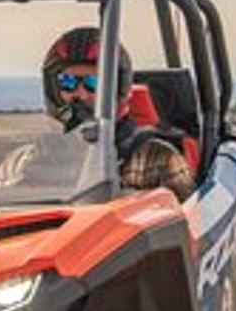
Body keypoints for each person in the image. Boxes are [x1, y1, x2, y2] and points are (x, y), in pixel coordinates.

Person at [35, 27, 194, 200]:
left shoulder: (156, 158)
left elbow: (186, 221)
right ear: (53, 88)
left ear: (118, 87)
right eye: (67, 81)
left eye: (93, 82)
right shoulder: (31, 157)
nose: (80, 94)